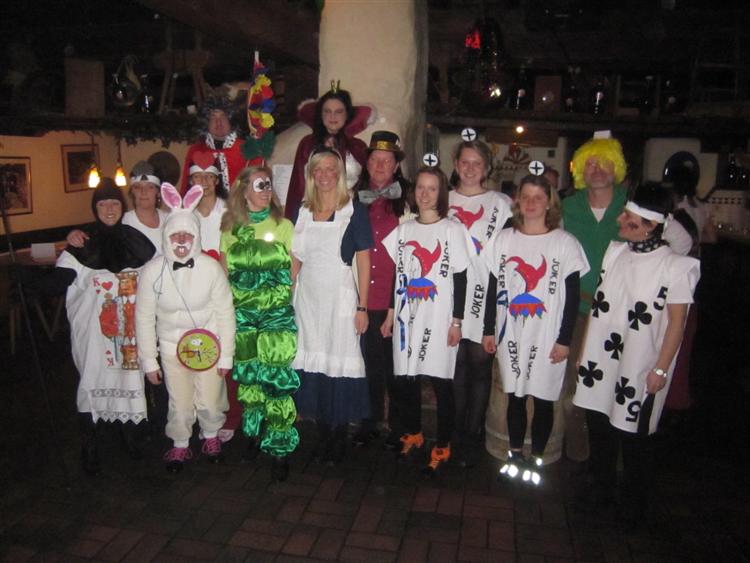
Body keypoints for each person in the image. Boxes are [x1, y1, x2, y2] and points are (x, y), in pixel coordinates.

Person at [572, 182, 700, 526]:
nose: (620, 220)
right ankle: (601, 489)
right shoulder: (616, 253)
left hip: (640, 363)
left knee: (634, 437)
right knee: (599, 424)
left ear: (650, 224)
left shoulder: (676, 267)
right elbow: (601, 308)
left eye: (628, 216)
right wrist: (585, 352)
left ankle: (633, 504)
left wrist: (661, 369)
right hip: (602, 358)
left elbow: (677, 323)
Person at [561, 135, 692, 460]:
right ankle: (584, 459)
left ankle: (618, 462)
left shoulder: (633, 202)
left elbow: (681, 243)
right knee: (581, 388)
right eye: (590, 163)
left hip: (629, 320)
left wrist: (651, 280)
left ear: (617, 168)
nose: (597, 169)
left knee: (624, 390)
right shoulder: (568, 206)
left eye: (605, 163)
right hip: (580, 310)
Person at [33, 178, 156, 475]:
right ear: (95, 208)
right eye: (103, 204)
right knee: (92, 382)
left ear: (122, 206)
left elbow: (155, 279)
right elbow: (60, 281)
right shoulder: (81, 244)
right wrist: (30, 280)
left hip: (129, 335)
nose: (109, 209)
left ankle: (129, 437)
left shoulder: (136, 241)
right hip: (93, 335)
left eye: (114, 203)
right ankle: (89, 445)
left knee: (130, 381)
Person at [482, 174, 588, 485]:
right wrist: (489, 329)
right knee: (515, 395)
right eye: (525, 196)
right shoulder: (504, 239)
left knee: (543, 397)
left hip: (547, 334)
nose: (531, 203)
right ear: (517, 201)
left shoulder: (564, 243)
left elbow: (572, 297)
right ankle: (515, 453)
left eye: (538, 197)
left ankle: (538, 455)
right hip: (511, 333)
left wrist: (565, 339)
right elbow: (492, 288)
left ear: (549, 203)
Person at [136, 184, 236, 473]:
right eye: (175, 234)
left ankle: (211, 435)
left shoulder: (211, 268)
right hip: (170, 348)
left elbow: (225, 313)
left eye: (187, 234)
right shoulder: (152, 271)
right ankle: (180, 442)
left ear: (197, 236)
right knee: (179, 402)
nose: (181, 239)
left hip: (208, 346)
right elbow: (144, 317)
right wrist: (149, 360)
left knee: (210, 399)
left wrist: (226, 356)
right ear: (166, 236)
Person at [382, 166, 472, 474]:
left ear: (441, 193)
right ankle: (415, 433)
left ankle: (443, 443)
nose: (425, 193)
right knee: (407, 378)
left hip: (439, 316)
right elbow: (397, 275)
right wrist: (391, 313)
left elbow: (461, 278)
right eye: (420, 187)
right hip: (407, 316)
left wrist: (457, 322)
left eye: (432, 188)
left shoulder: (452, 230)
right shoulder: (404, 230)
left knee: (440, 380)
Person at [292, 148, 373, 464]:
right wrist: (285, 300)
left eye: (330, 169)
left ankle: (338, 439)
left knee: (337, 367)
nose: (324, 175)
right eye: (318, 169)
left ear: (339, 174)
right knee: (314, 367)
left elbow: (363, 260)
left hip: (340, 299)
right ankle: (321, 434)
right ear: (311, 175)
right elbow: (295, 259)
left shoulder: (353, 210)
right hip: (308, 302)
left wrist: (363, 307)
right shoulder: (302, 211)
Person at [220, 167, 298, 481]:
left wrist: (276, 302)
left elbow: (292, 272)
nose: (266, 191)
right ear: (244, 190)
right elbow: (225, 274)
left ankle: (279, 447)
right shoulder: (230, 227)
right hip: (243, 316)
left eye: (268, 185)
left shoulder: (283, 225)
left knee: (276, 381)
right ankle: (253, 434)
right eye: (259, 185)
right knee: (249, 379)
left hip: (276, 315)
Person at [447, 137, 512, 467]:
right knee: (455, 366)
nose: (470, 168)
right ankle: (456, 431)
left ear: (487, 168)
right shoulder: (443, 198)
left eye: (477, 163)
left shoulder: (501, 204)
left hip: (486, 293)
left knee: (479, 367)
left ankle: (472, 434)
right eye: (465, 162)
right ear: (456, 165)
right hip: (450, 295)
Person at [351, 130, 412, 449]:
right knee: (369, 364)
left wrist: (396, 302)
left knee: (395, 367)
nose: (380, 165)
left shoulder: (409, 200)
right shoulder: (352, 198)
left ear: (396, 166)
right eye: (375, 159)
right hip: (362, 295)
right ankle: (370, 420)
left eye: (387, 160)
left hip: (394, 296)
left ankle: (399, 425)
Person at [284, 85, 368, 221]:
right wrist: (291, 220)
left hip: (350, 213)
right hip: (314, 212)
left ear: (347, 114)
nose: (332, 116)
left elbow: (367, 185)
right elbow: (297, 185)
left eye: (338, 111)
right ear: (321, 114)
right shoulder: (307, 144)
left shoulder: (358, 146)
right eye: (327, 111)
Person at [66, 161, 167, 255]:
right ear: (132, 192)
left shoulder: (170, 219)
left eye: (150, 187)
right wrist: (75, 233)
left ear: (158, 192)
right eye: (137, 187)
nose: (143, 192)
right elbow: (97, 230)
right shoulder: (120, 222)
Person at [180, 95, 248, 196]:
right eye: (213, 117)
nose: (218, 122)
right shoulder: (196, 150)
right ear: (206, 123)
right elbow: (186, 187)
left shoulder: (246, 148)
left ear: (230, 120)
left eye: (223, 117)